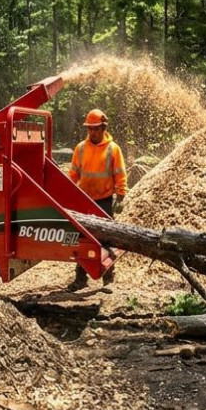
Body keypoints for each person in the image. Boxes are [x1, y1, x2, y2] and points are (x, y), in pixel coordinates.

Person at [66, 108, 126, 291]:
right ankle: (80, 279)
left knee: (105, 239)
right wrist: (67, 193)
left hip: (104, 201)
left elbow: (120, 174)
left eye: (95, 128)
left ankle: (108, 278)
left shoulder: (113, 149)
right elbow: (73, 174)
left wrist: (121, 195)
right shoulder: (80, 148)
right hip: (84, 200)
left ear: (103, 128)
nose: (92, 132)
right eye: (89, 128)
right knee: (83, 239)